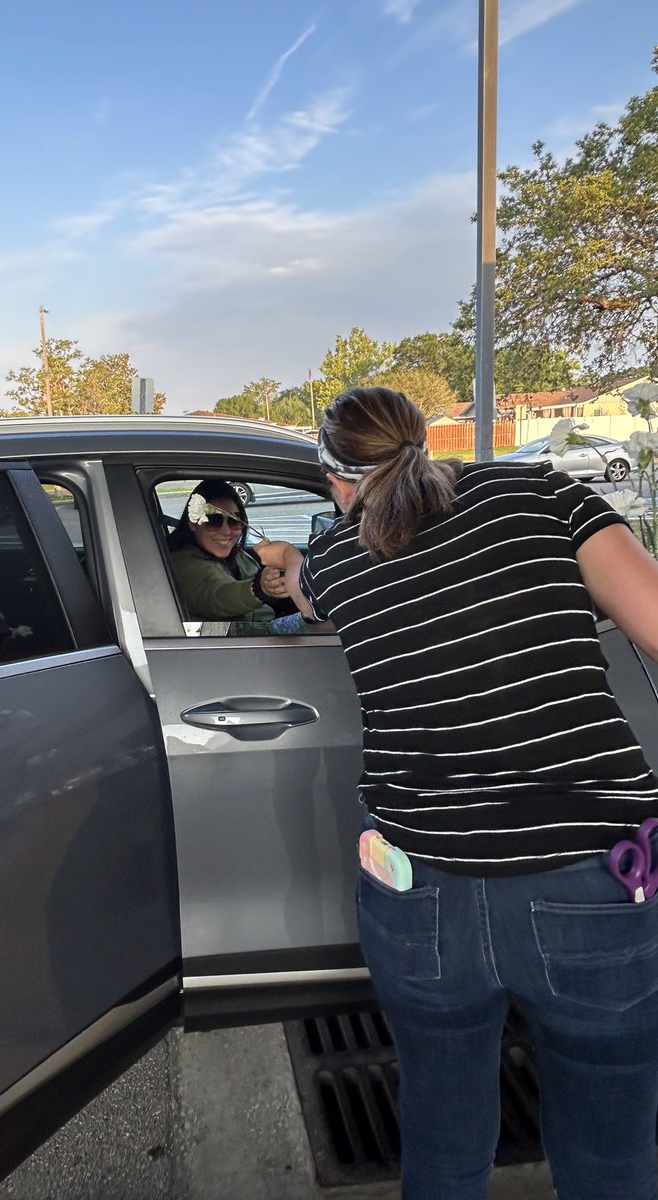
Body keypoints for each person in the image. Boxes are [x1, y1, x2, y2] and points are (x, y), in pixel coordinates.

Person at [255, 386, 658, 1200]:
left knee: (442, 1142)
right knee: (611, 1154)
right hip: (590, 877)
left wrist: (284, 564)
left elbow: (305, 590)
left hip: (418, 890)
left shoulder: (335, 561)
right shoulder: (541, 491)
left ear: (335, 480)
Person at [167, 478, 317, 635]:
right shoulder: (183, 566)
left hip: (262, 630)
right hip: (236, 643)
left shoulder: (237, 556)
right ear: (193, 524)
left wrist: (280, 577)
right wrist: (260, 588)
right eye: (213, 521)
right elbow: (219, 595)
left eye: (234, 521)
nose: (226, 531)